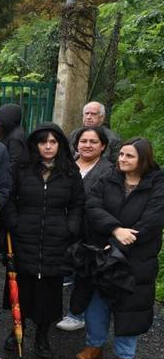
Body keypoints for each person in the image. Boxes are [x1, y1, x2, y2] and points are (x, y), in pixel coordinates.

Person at [75, 137, 163, 359]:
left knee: (130, 306)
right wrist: (115, 230)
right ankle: (94, 346)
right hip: (104, 253)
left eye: (129, 156)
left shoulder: (158, 183)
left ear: (143, 159)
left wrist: (117, 244)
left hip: (137, 257)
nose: (122, 160)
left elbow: (152, 220)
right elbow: (92, 206)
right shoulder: (109, 178)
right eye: (121, 155)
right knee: (97, 304)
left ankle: (125, 357)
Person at [3, 122, 84, 358]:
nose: (48, 147)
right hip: (24, 237)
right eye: (43, 142)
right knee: (22, 287)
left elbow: (78, 203)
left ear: (59, 145)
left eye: (53, 142)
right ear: (35, 145)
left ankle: (42, 336)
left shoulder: (69, 171)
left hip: (56, 239)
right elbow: (9, 198)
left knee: (49, 292)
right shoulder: (21, 168)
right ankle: (17, 329)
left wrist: (71, 228)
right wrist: (14, 222)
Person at [56, 126, 113, 332]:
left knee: (84, 274)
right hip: (63, 227)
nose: (87, 145)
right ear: (76, 143)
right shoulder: (66, 165)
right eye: (83, 141)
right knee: (59, 271)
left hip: (91, 230)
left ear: (103, 146)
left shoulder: (109, 170)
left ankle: (76, 314)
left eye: (93, 142)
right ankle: (53, 311)